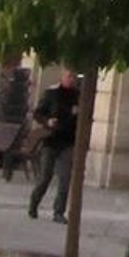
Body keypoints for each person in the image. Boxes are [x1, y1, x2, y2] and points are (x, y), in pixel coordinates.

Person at [27, 71, 81, 222]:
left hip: (68, 142)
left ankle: (58, 212)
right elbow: (38, 113)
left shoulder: (78, 96)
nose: (71, 79)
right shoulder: (52, 93)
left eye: (73, 77)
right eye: (69, 76)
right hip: (51, 141)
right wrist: (47, 121)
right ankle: (34, 204)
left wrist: (78, 113)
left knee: (65, 179)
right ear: (62, 77)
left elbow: (85, 117)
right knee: (45, 177)